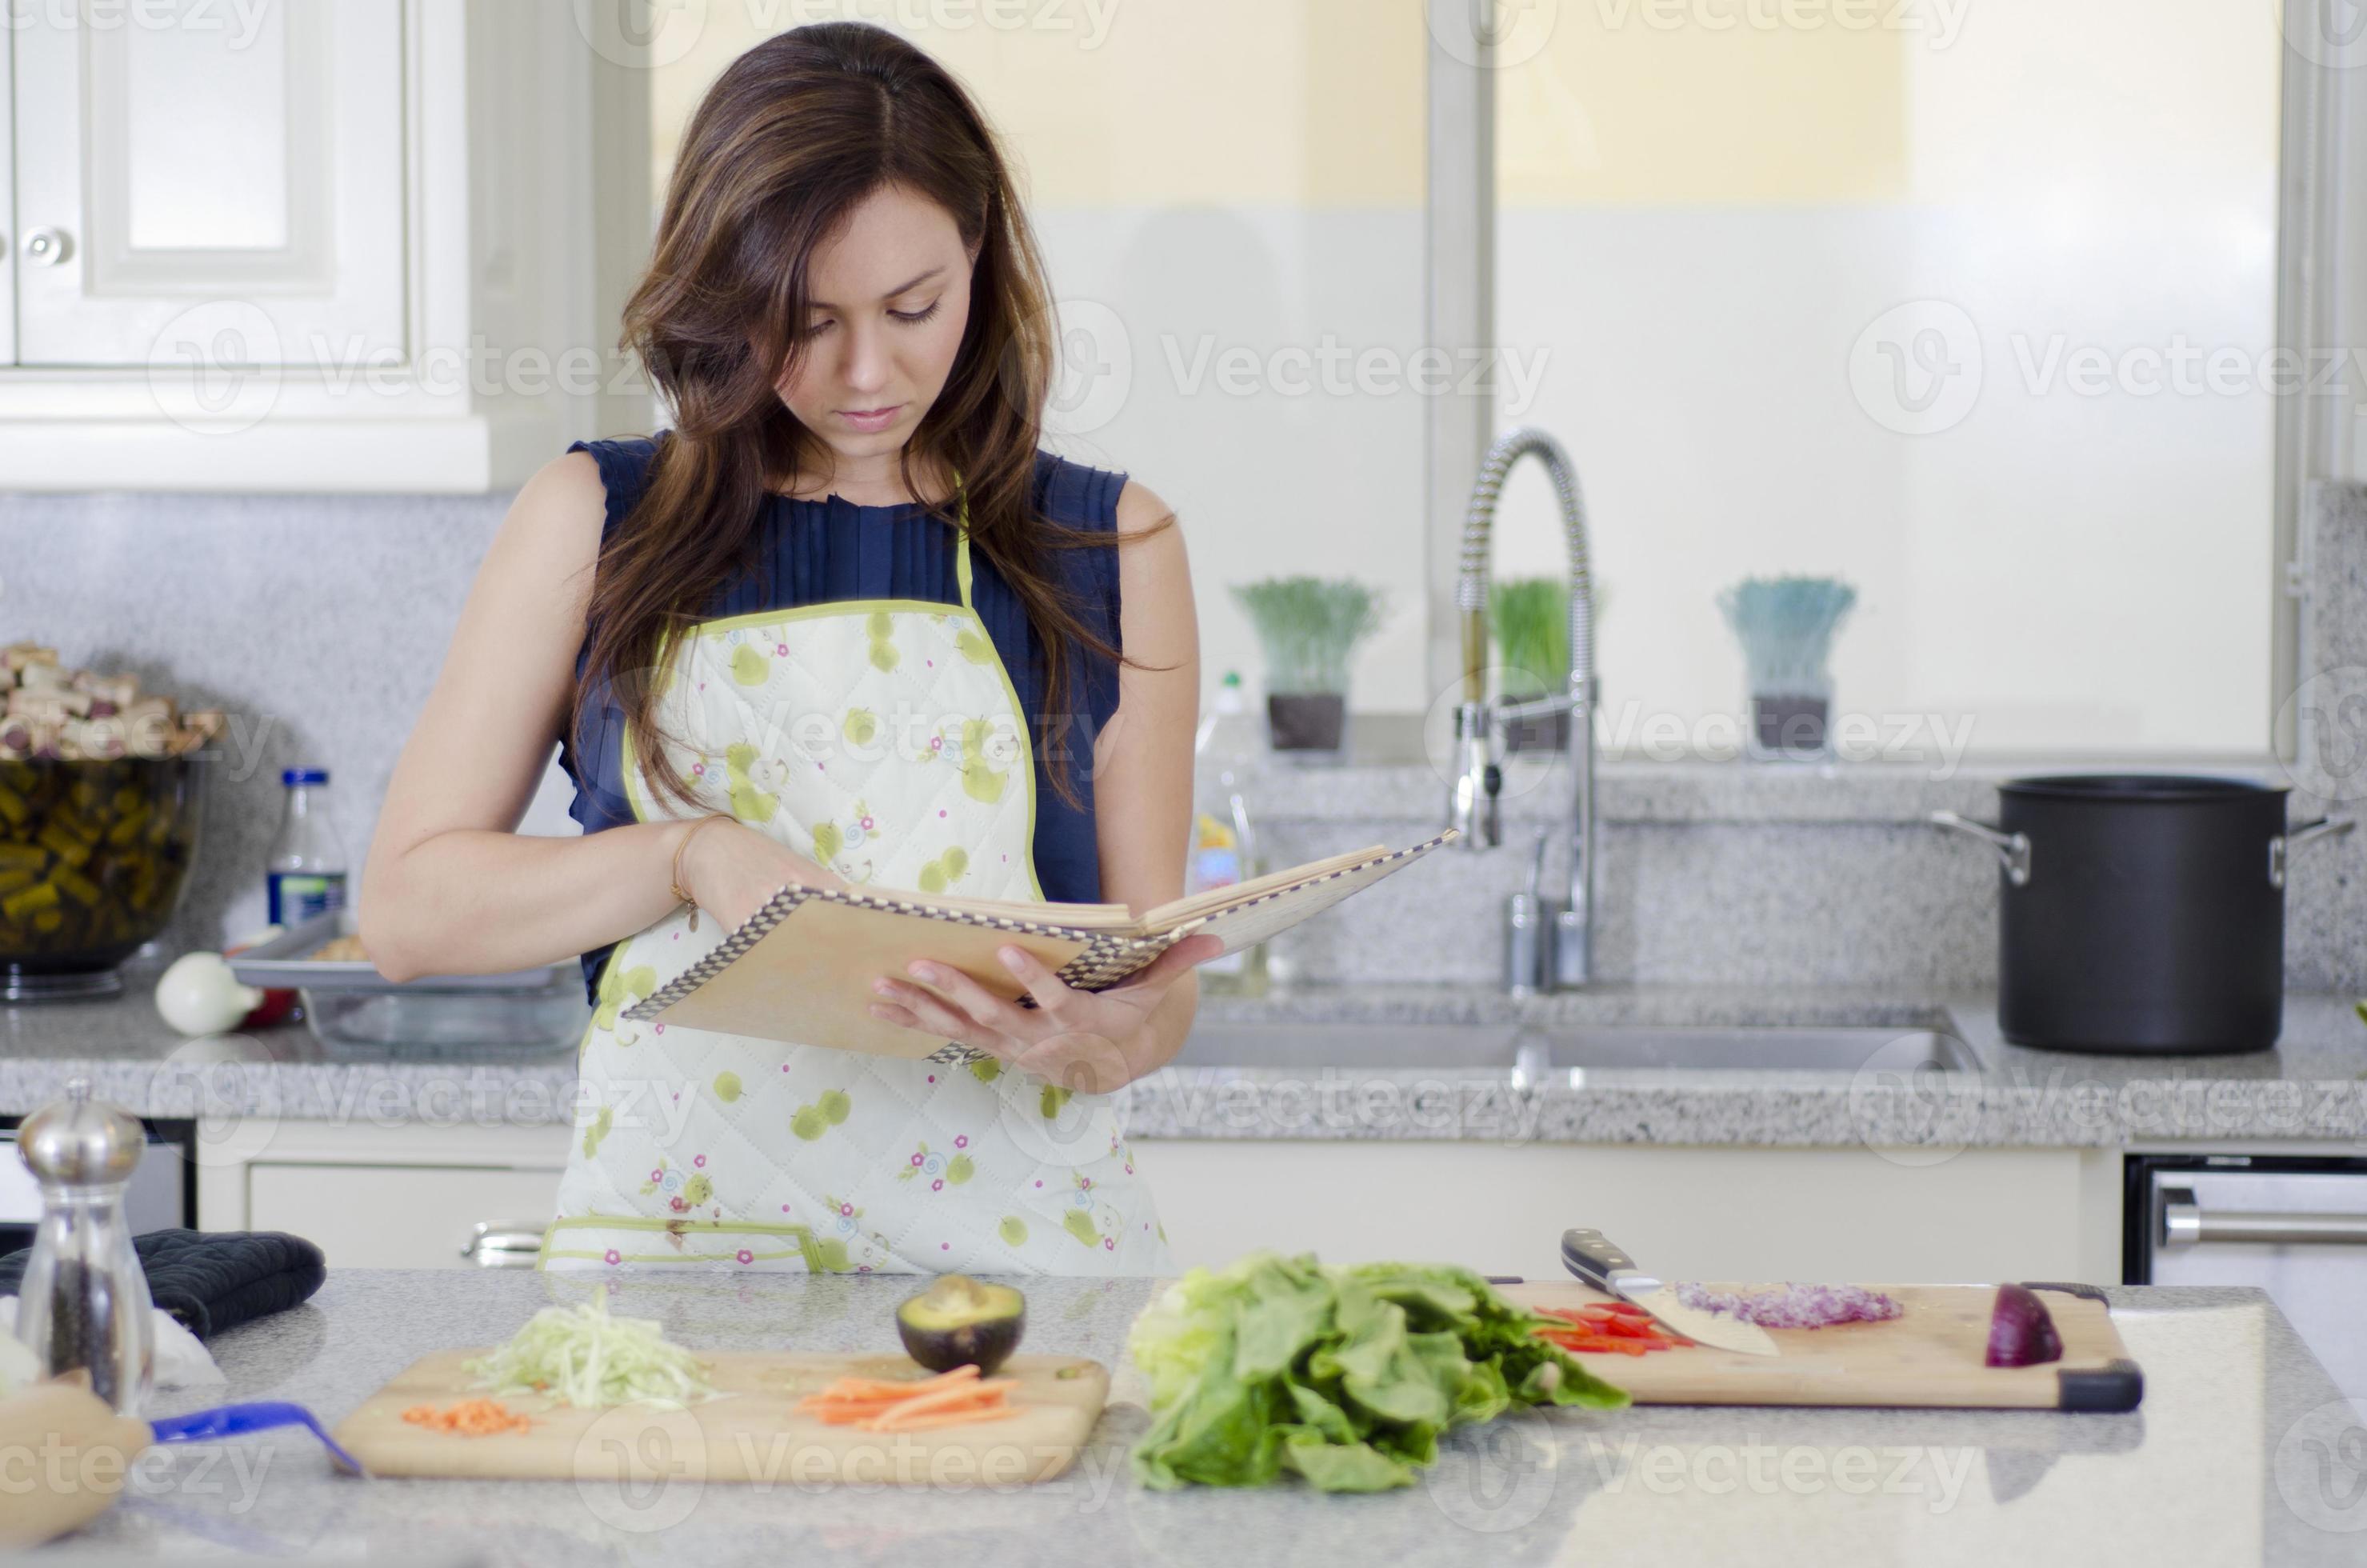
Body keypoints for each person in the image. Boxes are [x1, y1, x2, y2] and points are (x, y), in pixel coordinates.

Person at [358, 22, 1217, 1274]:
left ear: (979, 256)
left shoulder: (1113, 541)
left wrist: (1119, 1041)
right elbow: (408, 915)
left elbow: (1152, 970)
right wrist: (692, 857)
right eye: (804, 323)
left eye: (915, 307)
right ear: (726, 295)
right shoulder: (594, 517)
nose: (868, 373)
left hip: (1025, 1271)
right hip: (680, 1272)